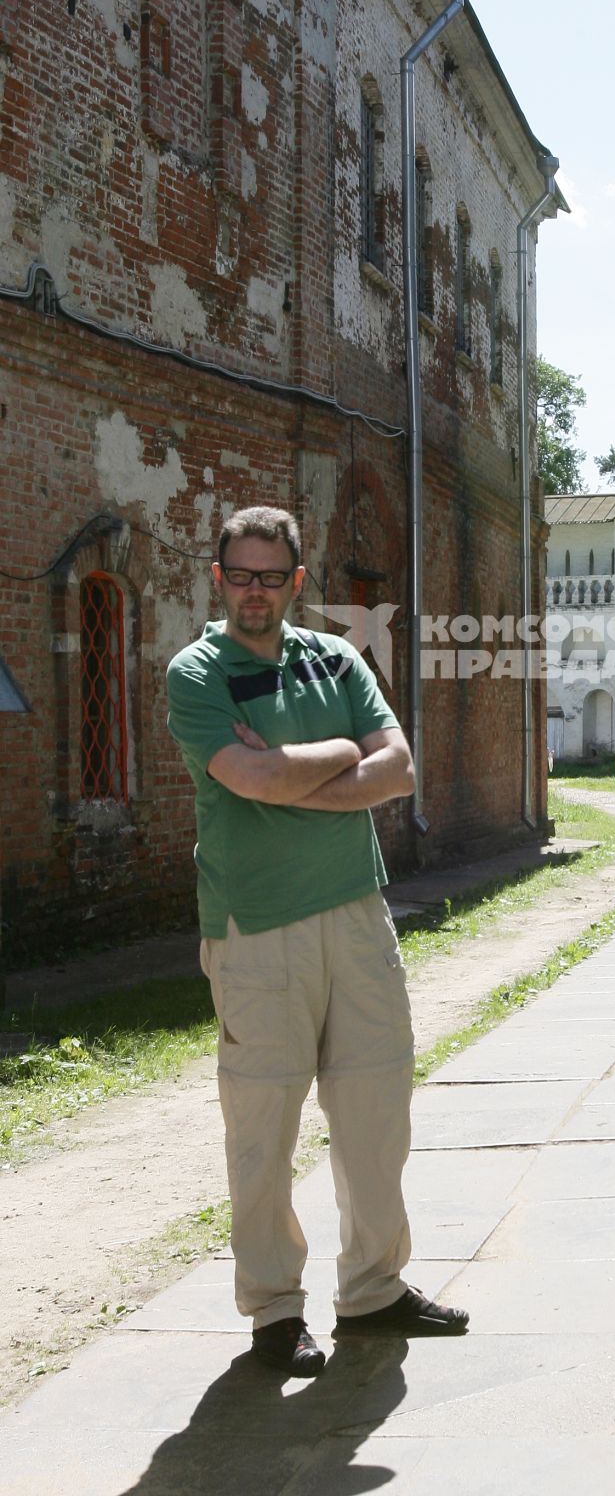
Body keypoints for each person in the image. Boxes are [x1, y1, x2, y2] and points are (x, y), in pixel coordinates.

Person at [166, 504, 468, 1377]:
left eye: (271, 577)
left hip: (355, 913)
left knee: (376, 1113)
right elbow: (246, 776)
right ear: (216, 577)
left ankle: (373, 1292)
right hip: (255, 928)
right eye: (238, 575)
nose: (253, 592)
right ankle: (272, 1312)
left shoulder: (334, 657)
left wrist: (298, 773)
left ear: (298, 582)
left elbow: (398, 767)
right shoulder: (199, 672)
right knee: (262, 1127)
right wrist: (343, 755)